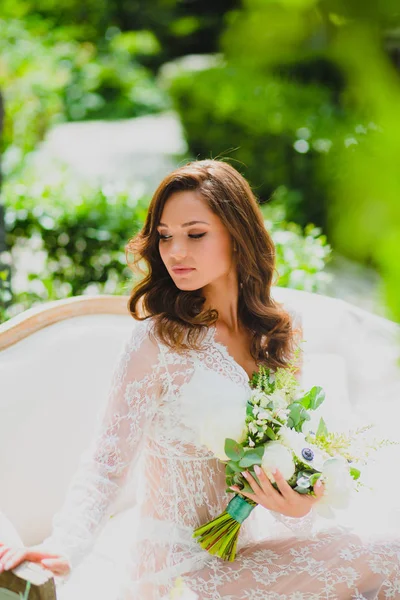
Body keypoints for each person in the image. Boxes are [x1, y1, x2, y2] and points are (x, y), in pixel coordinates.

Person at [1, 159, 399, 599]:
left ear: (237, 234)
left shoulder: (283, 332)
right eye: (165, 236)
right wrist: (65, 547)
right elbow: (104, 466)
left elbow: (289, 459)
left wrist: (298, 504)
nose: (175, 252)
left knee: (389, 554)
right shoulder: (156, 341)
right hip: (176, 570)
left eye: (195, 234)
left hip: (254, 551)